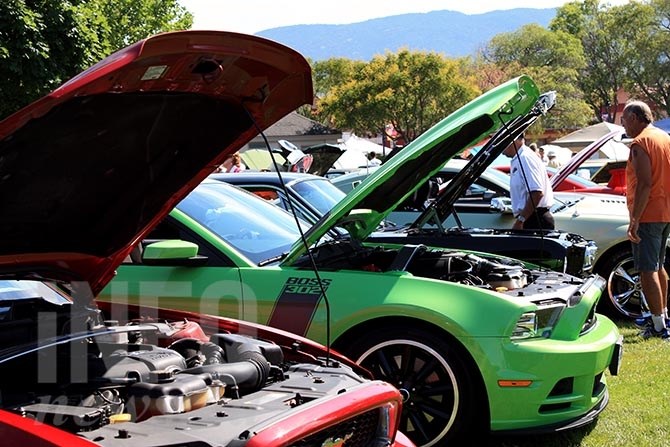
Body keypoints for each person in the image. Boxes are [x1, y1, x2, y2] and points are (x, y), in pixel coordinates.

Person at [621, 100, 670, 339]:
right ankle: (663, 315)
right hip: (665, 210)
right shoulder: (664, 137)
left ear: (635, 118)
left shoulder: (640, 142)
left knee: (646, 269)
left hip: (649, 213)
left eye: (624, 119)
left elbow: (644, 183)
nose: (623, 124)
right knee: (659, 266)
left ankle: (659, 325)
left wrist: (635, 219)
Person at [502, 133, 555, 230]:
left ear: (513, 140)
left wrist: (521, 220)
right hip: (530, 218)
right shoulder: (520, 158)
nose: (501, 148)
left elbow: (537, 192)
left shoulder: (525, 158)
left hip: (535, 220)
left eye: (503, 142)